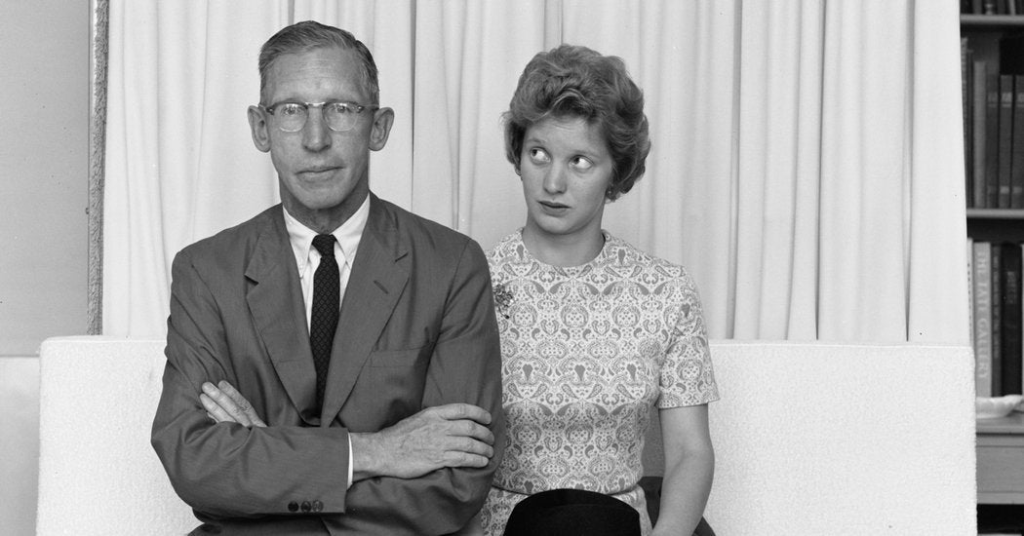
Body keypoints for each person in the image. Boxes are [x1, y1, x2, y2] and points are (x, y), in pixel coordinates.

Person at [151, 20, 505, 535]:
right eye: (291, 111)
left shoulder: (451, 265)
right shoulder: (206, 271)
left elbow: (455, 481)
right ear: (260, 128)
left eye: (341, 109)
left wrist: (271, 461)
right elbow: (196, 461)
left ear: (378, 127)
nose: (316, 139)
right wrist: (378, 450)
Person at [476, 44, 719, 536]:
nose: (553, 181)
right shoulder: (471, 281)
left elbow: (690, 452)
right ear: (518, 154)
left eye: (581, 161)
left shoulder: (665, 292)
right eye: (538, 153)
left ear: (616, 172)